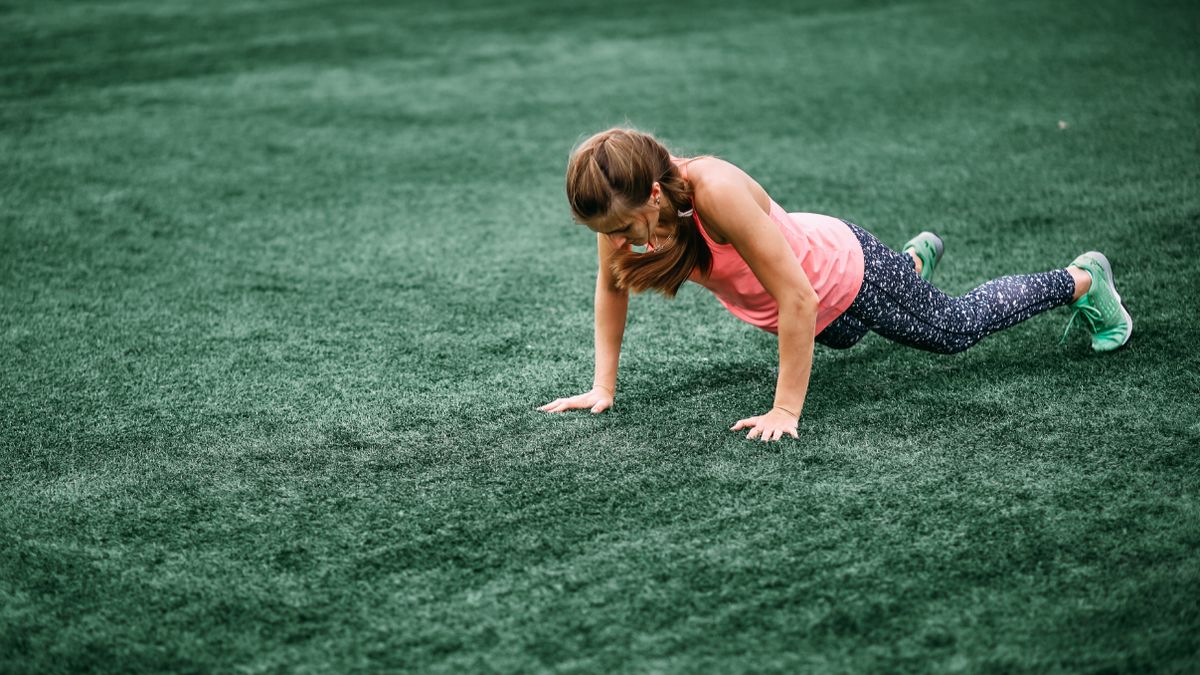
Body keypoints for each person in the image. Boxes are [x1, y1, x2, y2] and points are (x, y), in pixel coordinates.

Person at [538, 127, 1132, 441]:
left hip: (841, 273)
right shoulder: (617, 213)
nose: (625, 242)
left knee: (951, 331)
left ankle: (1083, 280)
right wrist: (602, 387)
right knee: (846, 337)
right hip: (814, 304)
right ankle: (910, 268)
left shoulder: (713, 191)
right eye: (610, 232)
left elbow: (798, 295)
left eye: (626, 227)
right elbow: (611, 288)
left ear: (655, 192)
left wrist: (785, 409)